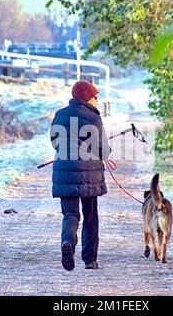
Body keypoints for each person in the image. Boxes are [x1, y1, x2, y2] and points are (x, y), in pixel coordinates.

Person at [50, 80, 111, 271]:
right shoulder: (93, 118)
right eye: (95, 97)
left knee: (70, 214)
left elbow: (54, 142)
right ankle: (90, 260)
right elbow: (103, 151)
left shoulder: (59, 115)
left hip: (64, 173)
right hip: (89, 175)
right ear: (87, 98)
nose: (97, 101)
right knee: (90, 217)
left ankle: (67, 242)